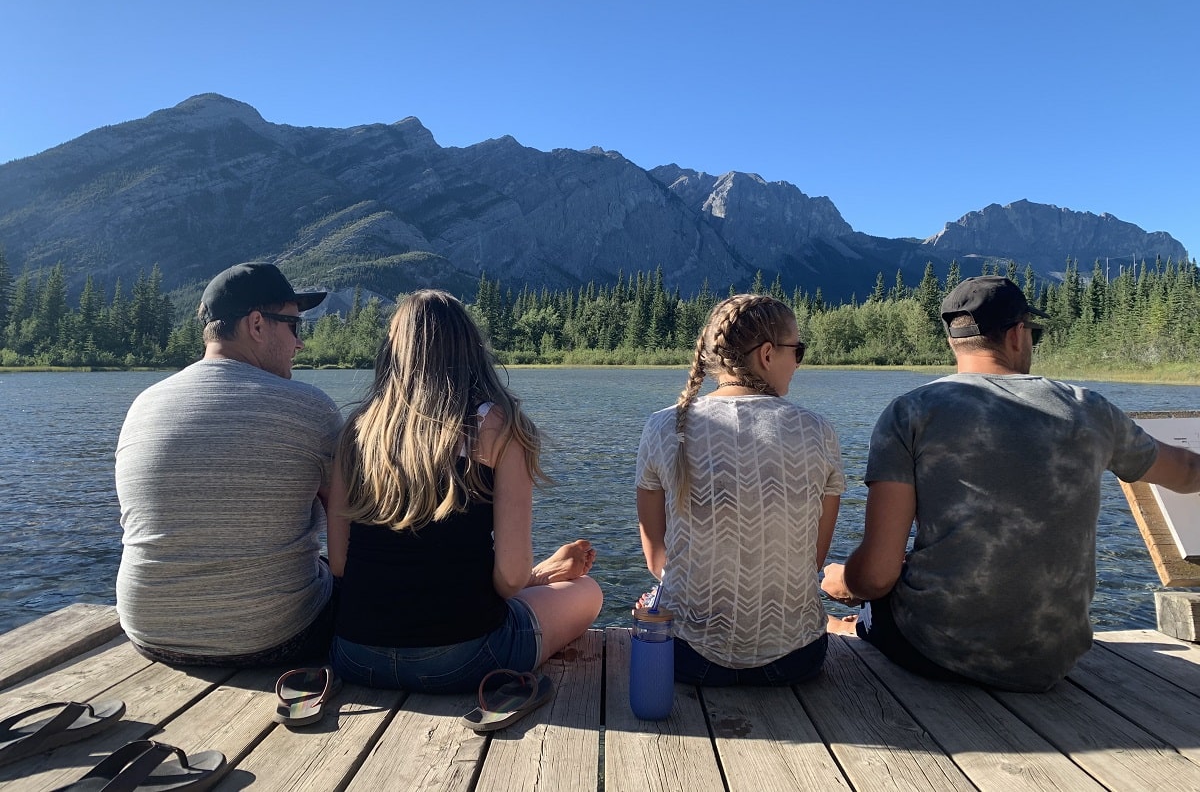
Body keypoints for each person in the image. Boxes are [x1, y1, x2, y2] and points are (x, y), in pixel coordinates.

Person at [823, 275, 1200, 692]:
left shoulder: (911, 412)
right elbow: (1185, 472)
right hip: (1052, 658)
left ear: (953, 340)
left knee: (871, 591)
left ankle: (848, 628)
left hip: (938, 651)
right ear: (1018, 334)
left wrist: (842, 581)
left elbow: (875, 576)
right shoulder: (1088, 408)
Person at [327, 290, 602, 692]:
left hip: (356, 654)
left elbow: (338, 564)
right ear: (470, 348)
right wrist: (527, 578)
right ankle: (543, 573)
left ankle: (542, 573)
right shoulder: (496, 427)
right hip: (465, 657)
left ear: (393, 353)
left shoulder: (357, 429)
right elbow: (509, 580)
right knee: (589, 591)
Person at [116, 262, 342, 667]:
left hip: (149, 632)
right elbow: (348, 525)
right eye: (294, 326)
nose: (299, 345)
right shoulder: (310, 407)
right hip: (275, 637)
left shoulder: (145, 403)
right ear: (257, 325)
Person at [635, 293, 844, 685]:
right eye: (797, 351)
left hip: (687, 659)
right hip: (796, 660)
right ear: (767, 354)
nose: (798, 364)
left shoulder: (663, 427)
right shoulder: (818, 431)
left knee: (655, 598)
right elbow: (813, 561)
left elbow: (657, 560)